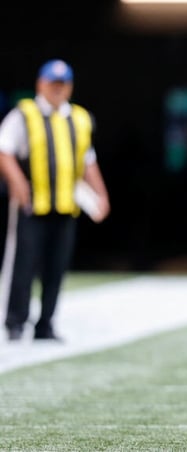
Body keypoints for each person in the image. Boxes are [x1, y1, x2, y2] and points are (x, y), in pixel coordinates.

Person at [0, 59, 110, 342]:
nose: (57, 89)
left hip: (65, 204)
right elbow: (4, 150)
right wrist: (18, 182)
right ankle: (15, 321)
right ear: (41, 84)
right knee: (23, 264)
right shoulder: (24, 114)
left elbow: (88, 160)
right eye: (53, 84)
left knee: (56, 267)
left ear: (70, 87)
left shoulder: (80, 118)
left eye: (62, 84)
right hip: (31, 204)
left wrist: (100, 194)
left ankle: (46, 323)